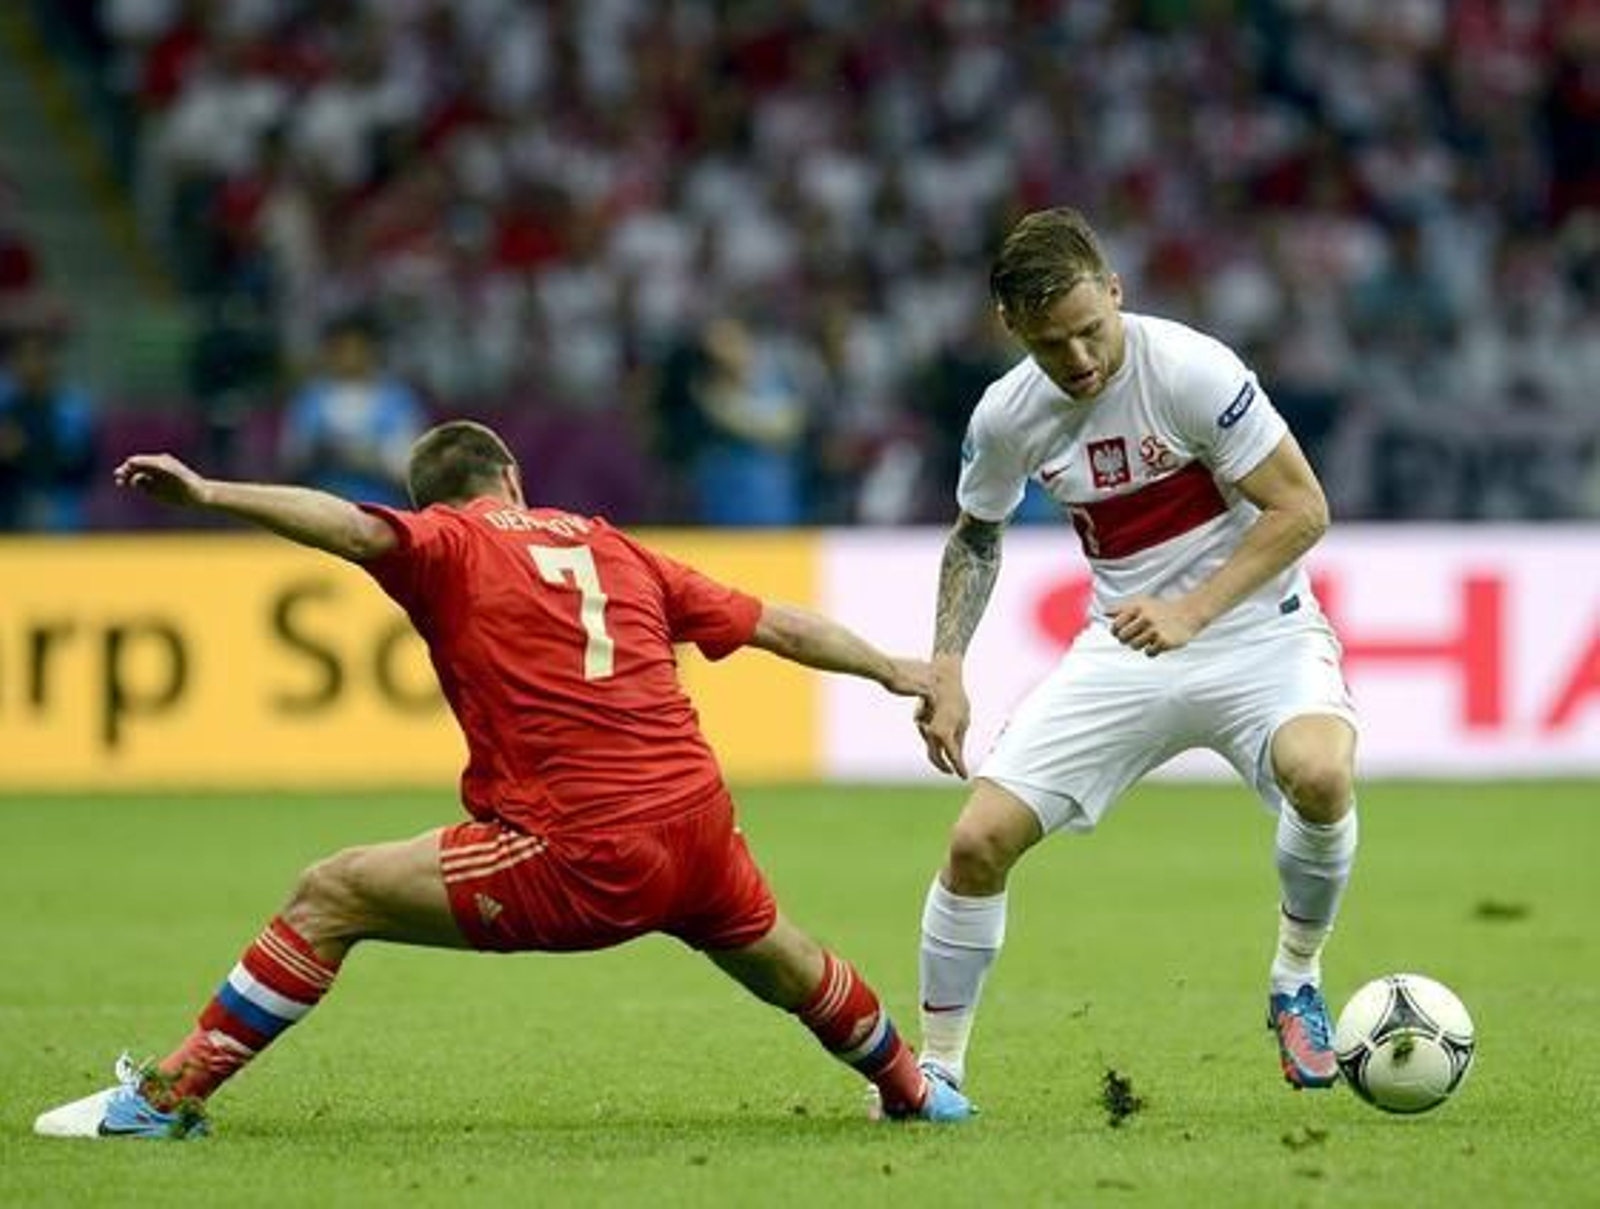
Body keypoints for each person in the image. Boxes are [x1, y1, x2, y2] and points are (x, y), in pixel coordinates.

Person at [35, 419, 972, 1140]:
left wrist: (208, 494)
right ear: (514, 477)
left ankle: (164, 1100)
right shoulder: (615, 545)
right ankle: (916, 1093)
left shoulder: (447, 543)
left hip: (582, 846)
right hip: (697, 821)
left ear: (438, 500)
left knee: (331, 893)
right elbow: (778, 623)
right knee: (781, 958)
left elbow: (346, 526)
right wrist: (899, 670)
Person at [911, 207, 1359, 1096]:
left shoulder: (1192, 368)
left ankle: (1296, 979)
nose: (1079, 360)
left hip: (1257, 628)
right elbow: (976, 535)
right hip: (1125, 648)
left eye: (1091, 330)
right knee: (976, 841)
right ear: (1012, 330)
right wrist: (947, 665)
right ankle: (934, 1070)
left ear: (1116, 292)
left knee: (1321, 772)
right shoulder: (1007, 416)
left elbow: (1302, 508)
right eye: (1051, 345)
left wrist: (1195, 608)